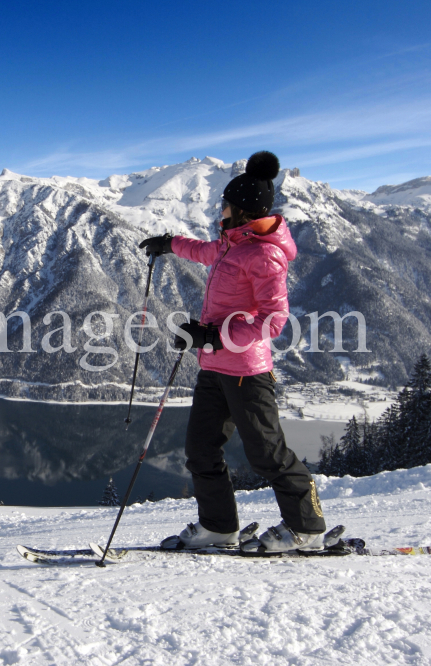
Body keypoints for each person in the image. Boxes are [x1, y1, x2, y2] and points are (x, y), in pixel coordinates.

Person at [138, 151, 327, 553]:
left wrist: (212, 337)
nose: (218, 209)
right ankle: (219, 526)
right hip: (214, 368)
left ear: (241, 211)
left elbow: (273, 320)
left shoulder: (264, 254)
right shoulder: (231, 245)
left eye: (224, 204)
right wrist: (170, 244)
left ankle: (306, 529)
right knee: (200, 450)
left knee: (267, 455)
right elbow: (204, 252)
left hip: (246, 371)